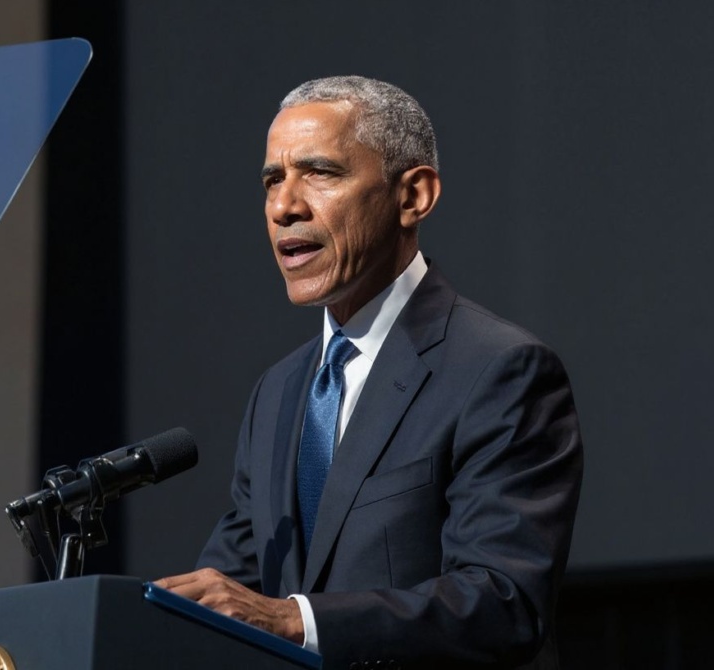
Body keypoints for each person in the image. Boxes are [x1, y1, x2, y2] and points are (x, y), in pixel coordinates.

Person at [156, 76, 583, 669]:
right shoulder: (278, 392)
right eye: (272, 180)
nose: (285, 207)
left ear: (414, 197)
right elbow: (232, 591)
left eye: (320, 173)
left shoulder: (499, 370)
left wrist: (294, 620)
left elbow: (503, 603)